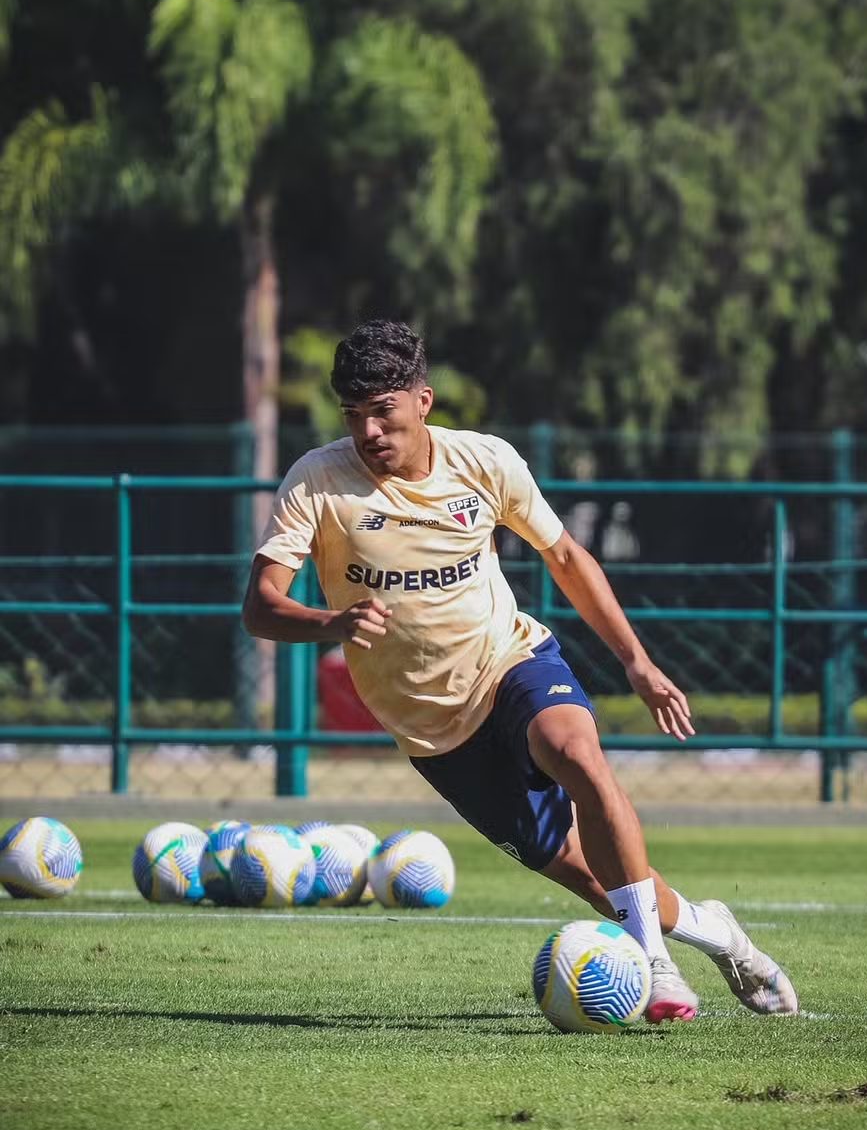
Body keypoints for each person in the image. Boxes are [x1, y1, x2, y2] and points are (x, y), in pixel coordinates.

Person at [242, 319, 797, 1024]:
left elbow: (566, 557)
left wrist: (638, 661)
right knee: (602, 881)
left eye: (384, 410)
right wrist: (330, 622)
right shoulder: (317, 481)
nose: (370, 431)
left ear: (423, 401)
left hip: (512, 661)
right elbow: (259, 607)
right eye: (355, 415)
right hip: (436, 733)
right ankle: (721, 934)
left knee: (577, 751)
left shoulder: (485, 462)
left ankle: (654, 962)